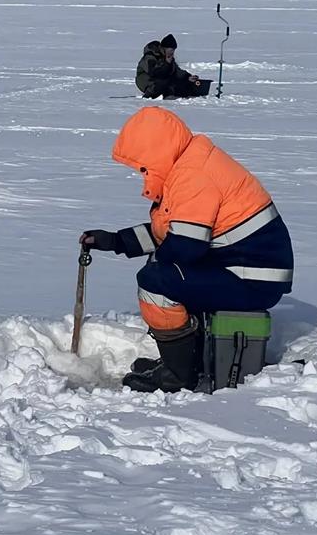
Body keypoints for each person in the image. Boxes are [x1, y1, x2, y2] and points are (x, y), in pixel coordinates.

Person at [80, 107, 293, 393]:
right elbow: (172, 233)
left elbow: (185, 247)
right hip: (245, 269)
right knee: (167, 273)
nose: (141, 174)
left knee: (156, 283)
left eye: (141, 167)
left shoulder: (194, 175)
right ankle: (182, 362)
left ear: (155, 154)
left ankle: (179, 375)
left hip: (251, 278)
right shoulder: (191, 165)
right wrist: (116, 241)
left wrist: (158, 267)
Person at [135, 34, 204, 99]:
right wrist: (167, 63)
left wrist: (188, 77)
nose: (172, 52)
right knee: (164, 82)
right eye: (171, 50)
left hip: (161, 81)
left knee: (179, 83)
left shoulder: (168, 58)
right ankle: (149, 96)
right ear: (163, 48)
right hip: (145, 80)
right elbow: (155, 73)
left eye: (173, 50)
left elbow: (176, 71)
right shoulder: (150, 57)